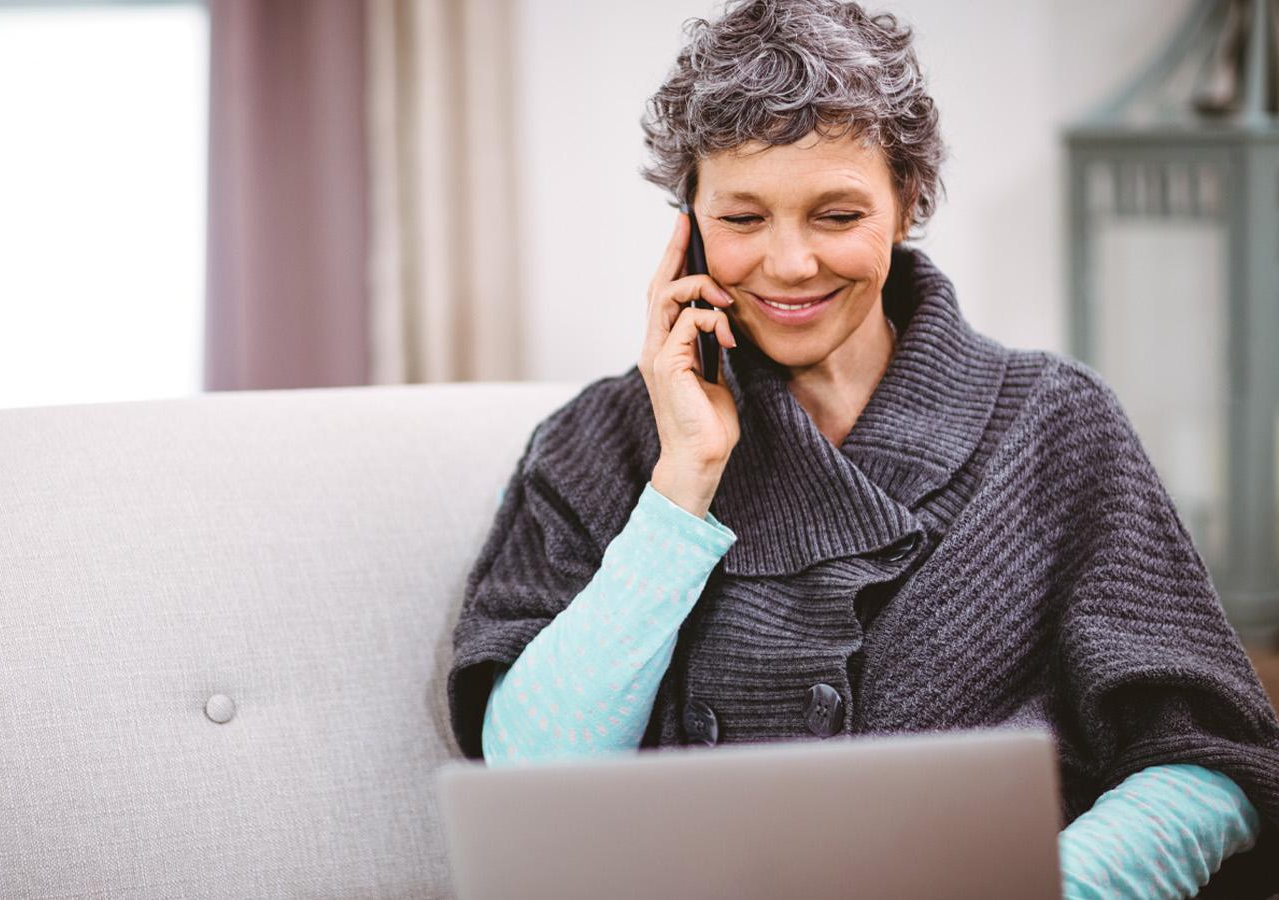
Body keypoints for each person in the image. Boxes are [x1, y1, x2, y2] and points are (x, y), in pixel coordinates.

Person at [445, 1, 1279, 898]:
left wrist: (1051, 885)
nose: (791, 263)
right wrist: (682, 483)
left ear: (908, 203)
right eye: (744, 218)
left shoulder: (1054, 424)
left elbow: (1205, 759)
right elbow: (531, 774)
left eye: (837, 215)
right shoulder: (599, 445)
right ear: (688, 220)